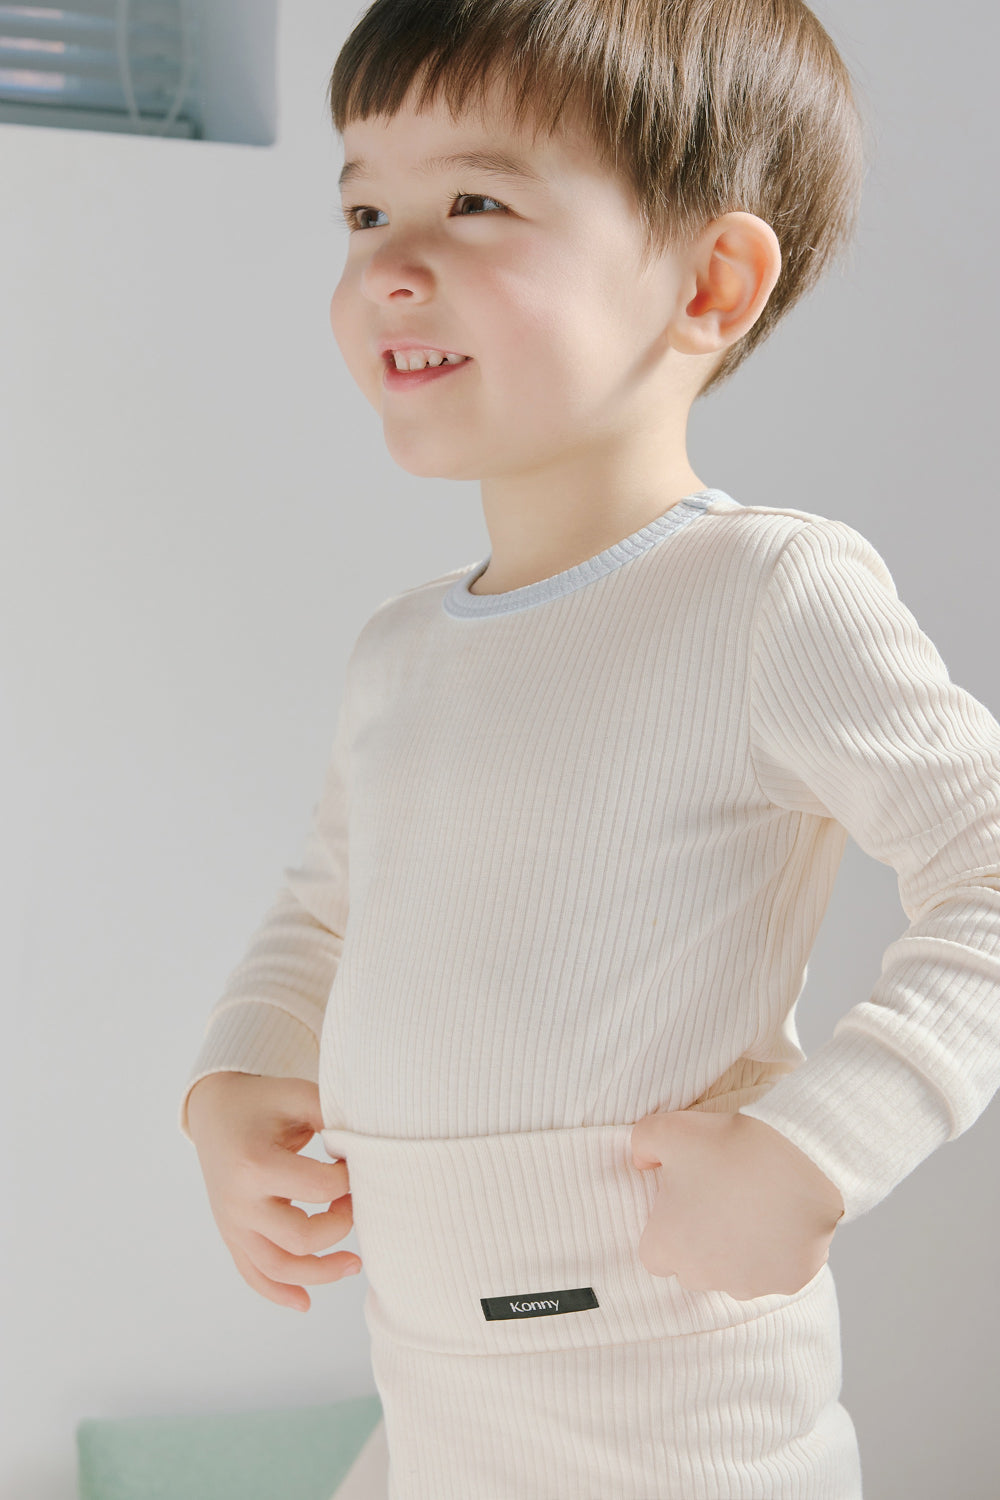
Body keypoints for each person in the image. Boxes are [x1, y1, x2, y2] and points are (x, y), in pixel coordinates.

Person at [180, 2, 1000, 1496]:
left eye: (475, 203)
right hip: (431, 1406)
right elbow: (325, 913)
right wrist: (237, 1074)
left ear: (710, 281)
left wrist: (821, 1148)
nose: (388, 267)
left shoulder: (766, 594)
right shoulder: (401, 652)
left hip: (681, 1423)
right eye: (364, 211)